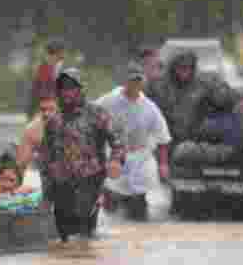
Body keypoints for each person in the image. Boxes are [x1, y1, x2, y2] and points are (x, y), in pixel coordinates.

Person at [39, 68, 125, 242]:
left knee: (83, 237)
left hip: (89, 182)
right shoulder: (53, 121)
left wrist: (116, 160)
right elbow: (46, 159)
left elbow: (118, 139)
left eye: (71, 87)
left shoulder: (96, 113)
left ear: (80, 89)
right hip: (61, 185)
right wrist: (46, 195)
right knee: (62, 239)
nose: (67, 92)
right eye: (63, 88)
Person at [93, 62, 172, 220]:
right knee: (110, 204)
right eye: (131, 80)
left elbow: (163, 138)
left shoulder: (150, 108)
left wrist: (163, 164)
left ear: (143, 82)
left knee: (138, 211)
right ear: (125, 81)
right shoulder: (109, 100)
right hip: (114, 156)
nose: (135, 84)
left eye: (138, 80)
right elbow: (89, 114)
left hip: (140, 159)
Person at [29, 39, 66, 118]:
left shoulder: (56, 67)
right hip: (43, 107)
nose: (62, 57)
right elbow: (43, 92)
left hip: (49, 106)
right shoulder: (44, 68)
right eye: (61, 54)